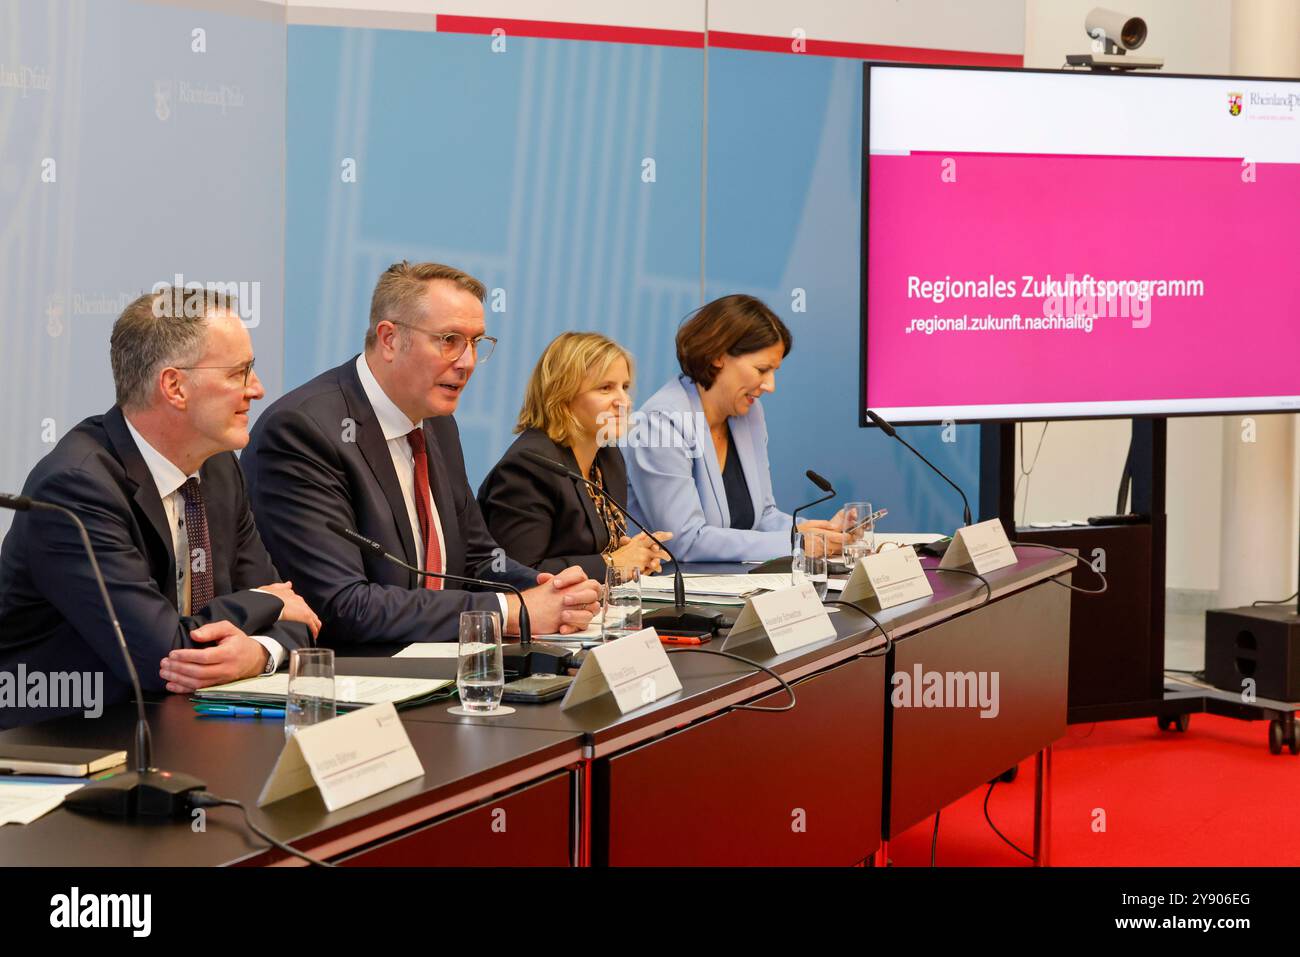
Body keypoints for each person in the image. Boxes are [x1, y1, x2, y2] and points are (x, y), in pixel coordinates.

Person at [0, 288, 317, 728]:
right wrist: (264, 602)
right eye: (239, 373)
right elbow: (162, 656)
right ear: (174, 387)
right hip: (62, 738)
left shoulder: (220, 467)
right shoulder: (77, 486)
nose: (257, 390)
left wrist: (262, 652)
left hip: (179, 725)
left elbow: (298, 615)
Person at [241, 262, 600, 645]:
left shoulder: (437, 423)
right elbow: (342, 605)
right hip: (352, 679)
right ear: (390, 339)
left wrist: (552, 591)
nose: (467, 362)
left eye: (476, 342)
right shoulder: (304, 432)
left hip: (441, 665)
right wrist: (513, 611)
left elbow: (476, 559)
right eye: (449, 340)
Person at [625, 294, 844, 563]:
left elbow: (763, 516)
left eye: (774, 371)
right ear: (718, 356)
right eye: (762, 369)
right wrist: (796, 542)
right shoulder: (660, 422)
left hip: (733, 586)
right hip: (674, 590)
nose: (770, 385)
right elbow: (685, 541)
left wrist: (817, 532)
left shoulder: (748, 413)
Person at [478, 332, 671, 580]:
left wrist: (634, 556)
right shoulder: (529, 466)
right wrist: (612, 563)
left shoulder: (607, 455)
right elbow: (513, 574)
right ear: (562, 396)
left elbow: (596, 549)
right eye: (605, 388)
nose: (624, 401)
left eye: (625, 387)